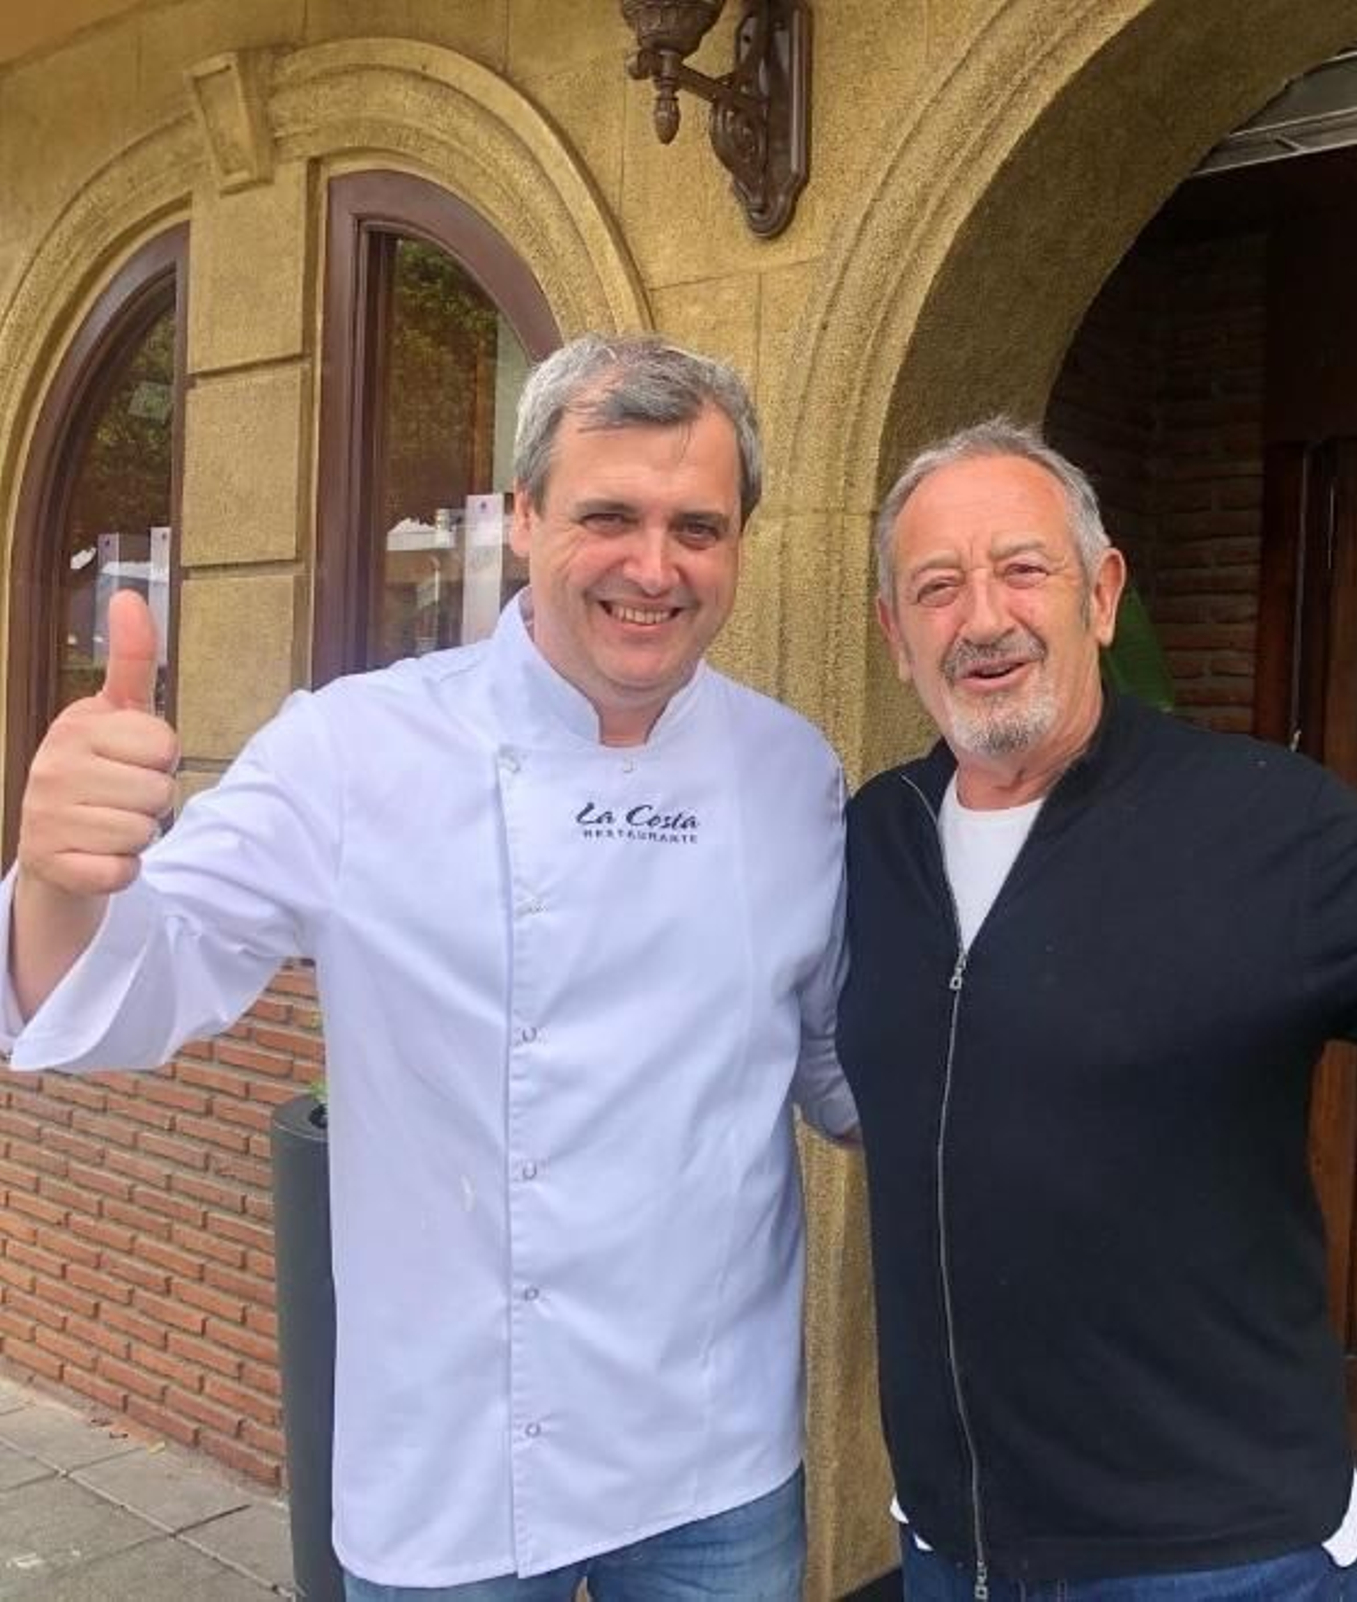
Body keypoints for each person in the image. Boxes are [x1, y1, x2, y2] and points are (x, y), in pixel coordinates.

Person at [1, 334, 857, 1601]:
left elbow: (839, 1063)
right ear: (521, 517)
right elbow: (141, 980)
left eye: (699, 527)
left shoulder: (794, 774)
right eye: (607, 515)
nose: (653, 567)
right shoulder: (355, 748)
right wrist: (63, 883)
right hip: (455, 1457)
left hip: (714, 1459)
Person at [837, 418, 1357, 1602]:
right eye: (936, 588)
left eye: (1022, 569)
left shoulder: (1265, 822)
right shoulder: (873, 836)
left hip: (1220, 1558)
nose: (981, 617)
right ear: (896, 637)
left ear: (1101, 595)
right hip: (951, 1546)